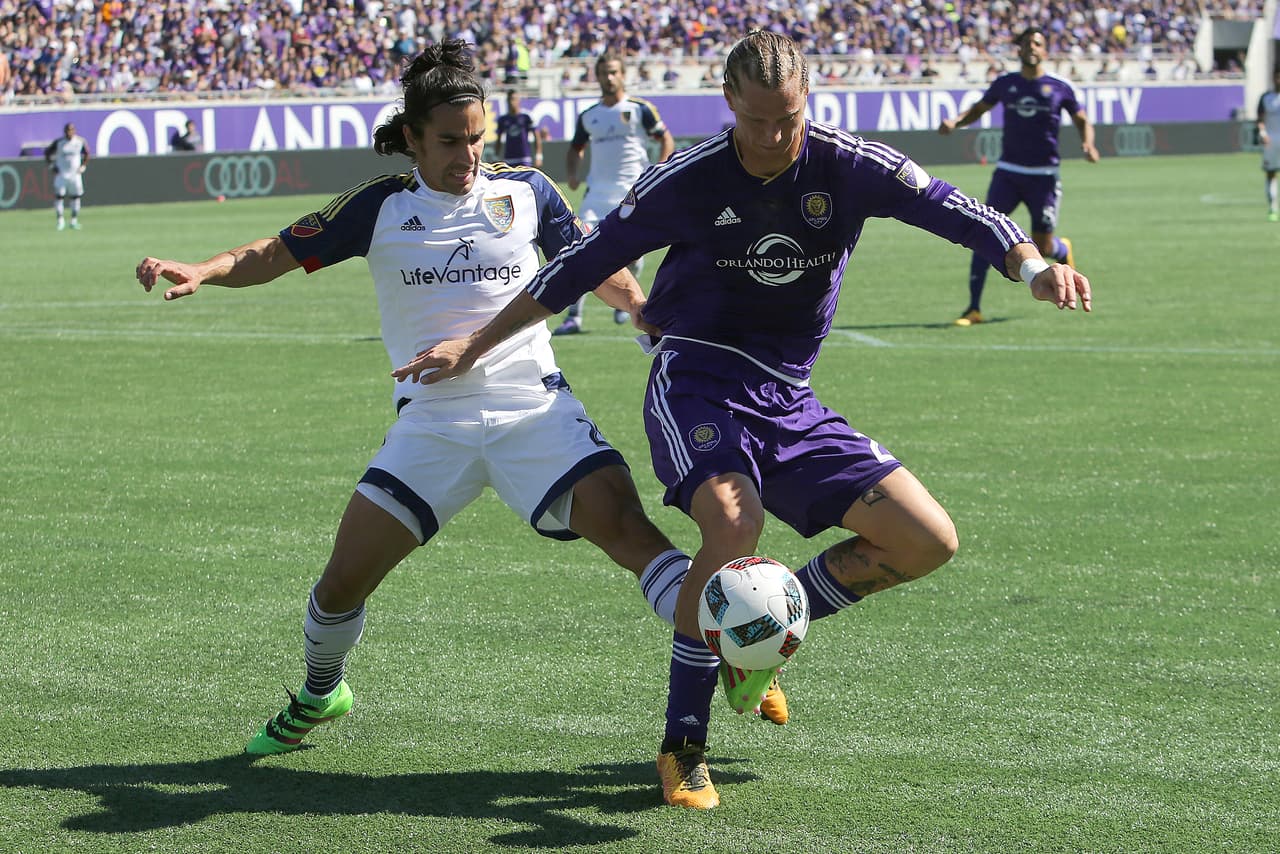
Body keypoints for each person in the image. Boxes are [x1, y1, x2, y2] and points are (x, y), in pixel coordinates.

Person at [393, 30, 1092, 810]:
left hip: (788, 398)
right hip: (696, 376)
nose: (772, 139)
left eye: (787, 120)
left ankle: (755, 631)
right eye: (757, 121)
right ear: (729, 105)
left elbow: (953, 208)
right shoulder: (687, 179)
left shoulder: (849, 166)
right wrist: (475, 344)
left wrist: (1033, 266)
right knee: (733, 521)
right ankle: (683, 744)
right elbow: (579, 267)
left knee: (928, 540)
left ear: (808, 105)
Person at [135, 40, 699, 758]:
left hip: (535, 408)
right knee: (340, 585)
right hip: (433, 423)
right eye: (448, 141)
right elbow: (275, 252)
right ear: (411, 139)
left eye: (476, 138)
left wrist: (642, 308)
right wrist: (205, 269)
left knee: (634, 536)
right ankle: (320, 691)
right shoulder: (380, 207)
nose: (466, 156)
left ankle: (732, 639)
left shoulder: (526, 191)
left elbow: (591, 266)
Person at [938, 26, 1099, 326]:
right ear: (1019, 50)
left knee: (1044, 246)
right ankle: (973, 309)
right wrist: (957, 122)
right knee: (984, 231)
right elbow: (979, 108)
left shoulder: (1059, 87)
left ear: (1045, 50)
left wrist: (1088, 143)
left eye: (1037, 43)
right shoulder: (1006, 84)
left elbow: (1082, 118)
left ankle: (1062, 249)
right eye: (1026, 44)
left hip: (1044, 177)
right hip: (1009, 174)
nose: (1031, 48)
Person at [552, 51, 675, 335]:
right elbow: (575, 149)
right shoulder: (589, 116)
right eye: (604, 72)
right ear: (596, 76)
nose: (609, 78)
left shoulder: (640, 109)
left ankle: (627, 302)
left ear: (623, 75)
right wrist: (572, 173)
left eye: (614, 72)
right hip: (597, 193)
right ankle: (574, 317)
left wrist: (661, 169)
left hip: (633, 190)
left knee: (634, 253)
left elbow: (665, 138)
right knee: (579, 249)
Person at [45, 122, 90, 231]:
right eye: (67, 130)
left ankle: (74, 220)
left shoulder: (80, 142)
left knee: (75, 197)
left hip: (75, 175)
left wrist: (83, 166)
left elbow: (87, 153)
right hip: (62, 174)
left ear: (74, 131)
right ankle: (60, 221)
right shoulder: (59, 142)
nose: (69, 132)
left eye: (71, 130)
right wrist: (52, 166)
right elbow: (47, 153)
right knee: (59, 197)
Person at [493, 89, 543, 168]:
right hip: (509, 158)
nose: (511, 102)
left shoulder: (526, 117)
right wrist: (495, 156)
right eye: (509, 99)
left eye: (513, 99)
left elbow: (537, 136)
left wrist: (539, 156)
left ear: (519, 100)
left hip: (524, 158)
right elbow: (498, 139)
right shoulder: (503, 119)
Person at [1256, 68, 1280, 222]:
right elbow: (1260, 119)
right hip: (1271, 141)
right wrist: (1263, 134)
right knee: (1271, 173)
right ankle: (1273, 207)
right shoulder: (1266, 97)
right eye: (1277, 77)